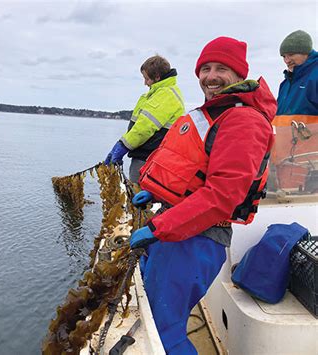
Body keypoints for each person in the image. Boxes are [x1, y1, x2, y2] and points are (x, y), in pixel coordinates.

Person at [129, 37, 276, 354]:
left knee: (162, 331)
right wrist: (153, 194)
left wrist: (158, 228)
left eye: (221, 68)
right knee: (155, 321)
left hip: (196, 238)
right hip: (179, 230)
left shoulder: (243, 120)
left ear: (239, 74)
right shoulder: (217, 112)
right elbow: (191, 168)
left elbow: (222, 196)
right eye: (205, 68)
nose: (210, 76)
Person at [104, 55, 185, 182]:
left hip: (150, 158)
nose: (145, 83)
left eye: (147, 78)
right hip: (145, 156)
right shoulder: (156, 94)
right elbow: (138, 126)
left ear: (157, 77)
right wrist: (122, 142)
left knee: (138, 194)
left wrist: (123, 146)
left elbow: (145, 127)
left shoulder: (166, 95)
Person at [271, 30, 318, 192]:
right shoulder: (286, 83)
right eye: (283, 56)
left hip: (312, 161)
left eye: (290, 55)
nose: (286, 60)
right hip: (288, 158)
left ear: (305, 52)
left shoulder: (316, 76)